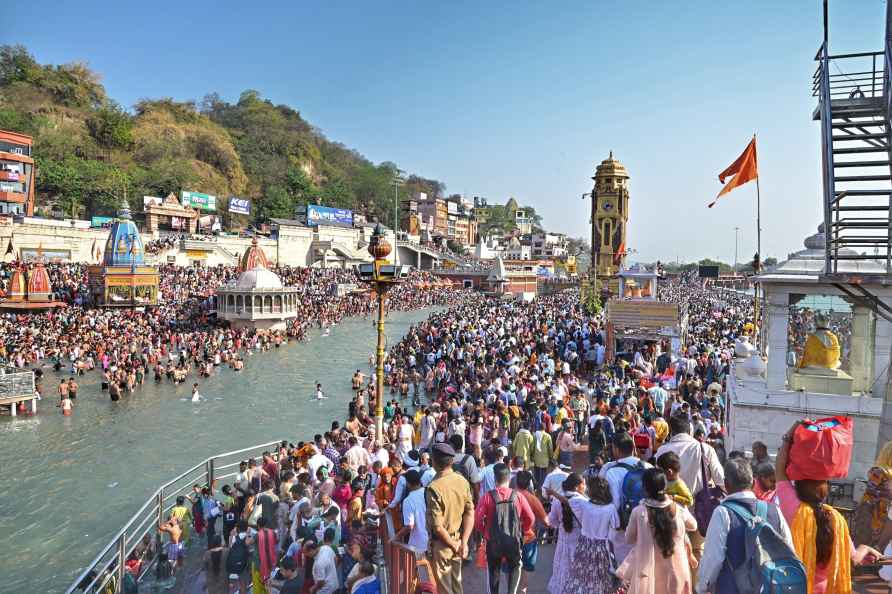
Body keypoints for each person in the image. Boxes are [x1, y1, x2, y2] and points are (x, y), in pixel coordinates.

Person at [775, 421, 881, 594]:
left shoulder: (793, 508)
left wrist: (790, 434)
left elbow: (779, 467)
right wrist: (866, 548)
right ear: (825, 490)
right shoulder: (836, 520)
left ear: (798, 485)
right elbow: (853, 559)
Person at [696, 458, 794, 594]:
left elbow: (713, 559)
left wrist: (701, 587)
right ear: (753, 482)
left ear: (726, 484)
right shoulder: (774, 510)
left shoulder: (722, 512)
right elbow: (789, 550)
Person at [654, 415, 724, 565]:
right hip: (700, 512)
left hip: (668, 513)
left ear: (671, 431)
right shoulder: (705, 449)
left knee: (671, 555)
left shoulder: (661, 451)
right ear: (690, 430)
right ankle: (694, 587)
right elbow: (721, 480)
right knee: (697, 553)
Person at [617, 468, 698, 594]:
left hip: (649, 575)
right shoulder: (677, 508)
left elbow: (629, 539)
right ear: (665, 486)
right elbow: (693, 526)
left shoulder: (639, 512)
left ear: (645, 488)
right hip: (676, 571)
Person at [549, 475, 620, 594]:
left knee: (582, 577)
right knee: (600, 578)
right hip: (602, 548)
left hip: (583, 546)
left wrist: (555, 495)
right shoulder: (610, 508)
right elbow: (615, 529)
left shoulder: (584, 505)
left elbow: (567, 502)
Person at [475, 462, 534, 594]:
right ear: (509, 479)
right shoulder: (518, 496)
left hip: (493, 542)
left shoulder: (487, 497)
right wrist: (523, 531)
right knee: (515, 567)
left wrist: (485, 532)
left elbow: (478, 521)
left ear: (495, 479)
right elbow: (531, 518)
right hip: (513, 540)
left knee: (493, 570)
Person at [425, 442, 475, 594]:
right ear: (451, 461)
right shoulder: (462, 481)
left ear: (434, 462)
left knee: (445, 590)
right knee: (457, 587)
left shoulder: (434, 487)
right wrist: (464, 543)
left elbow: (438, 527)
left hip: (443, 545)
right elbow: (469, 512)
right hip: (458, 541)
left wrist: (454, 545)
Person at [600, 432, 651, 563]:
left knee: (623, 569)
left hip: (623, 530)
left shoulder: (611, 471)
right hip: (648, 525)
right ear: (633, 447)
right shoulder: (648, 467)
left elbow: (614, 503)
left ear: (616, 449)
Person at [546, 473, 586, 594]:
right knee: (578, 576)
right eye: (584, 484)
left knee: (563, 573)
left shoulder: (557, 500)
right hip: (579, 545)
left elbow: (552, 521)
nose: (585, 486)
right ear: (577, 486)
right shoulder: (583, 501)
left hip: (563, 544)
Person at [852, 440, 892, 550]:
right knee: (867, 549)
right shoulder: (879, 471)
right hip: (873, 515)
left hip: (884, 516)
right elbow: (871, 493)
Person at [394, 469, 428, 554]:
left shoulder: (408, 500)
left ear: (408, 484)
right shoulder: (428, 492)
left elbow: (409, 526)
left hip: (418, 545)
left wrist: (395, 537)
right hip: (432, 542)